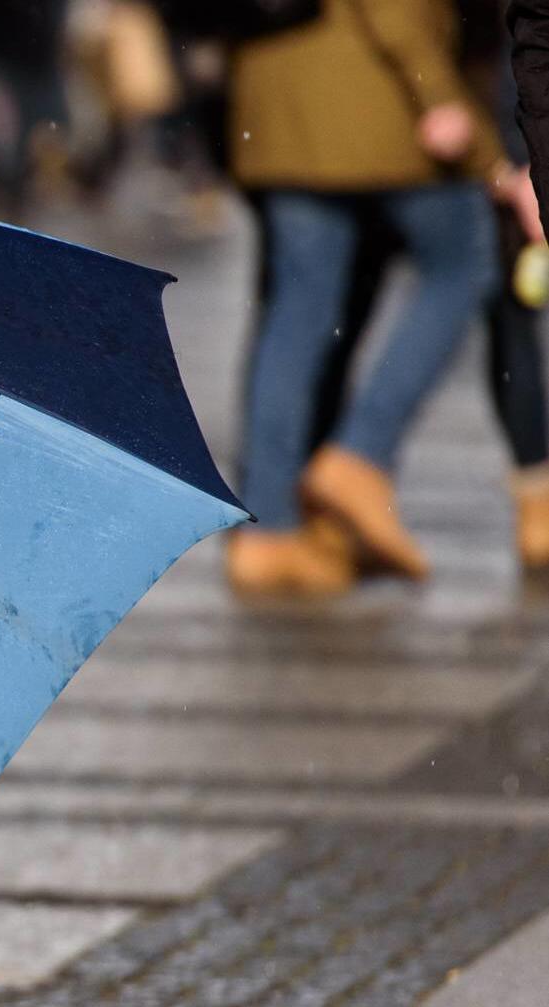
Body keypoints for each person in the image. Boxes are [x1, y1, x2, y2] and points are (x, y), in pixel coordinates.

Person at [226, 0, 528, 596]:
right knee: (464, 265)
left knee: (299, 309)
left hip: (279, 94)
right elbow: (395, 14)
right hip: (376, 96)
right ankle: (359, 456)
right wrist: (450, 108)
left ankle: (267, 535)